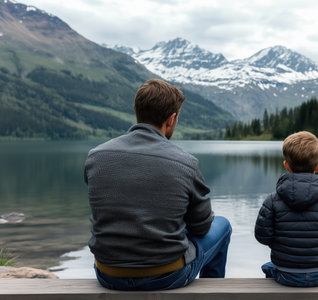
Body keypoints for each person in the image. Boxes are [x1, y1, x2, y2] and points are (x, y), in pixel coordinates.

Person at [84, 79, 232, 291]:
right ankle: (213, 295)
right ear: (172, 119)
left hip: (108, 274)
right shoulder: (186, 163)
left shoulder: (95, 157)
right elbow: (201, 227)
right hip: (166, 276)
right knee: (223, 225)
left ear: (136, 110)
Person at [254, 131, 318, 287]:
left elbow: (262, 237)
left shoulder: (272, 200)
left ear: (286, 165)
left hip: (286, 274)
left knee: (267, 267)